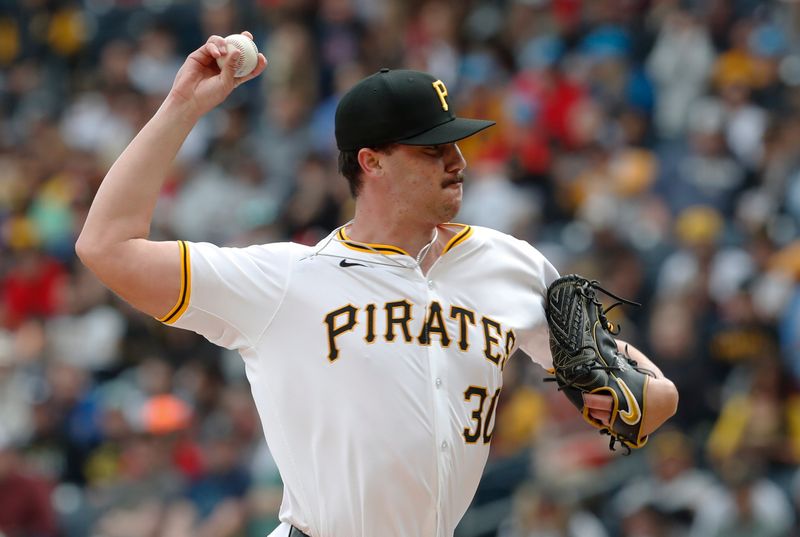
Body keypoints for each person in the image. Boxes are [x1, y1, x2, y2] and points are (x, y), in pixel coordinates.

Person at [77, 32, 679, 537]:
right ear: (371, 162)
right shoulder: (287, 281)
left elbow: (647, 408)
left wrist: (622, 392)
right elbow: (106, 246)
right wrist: (183, 103)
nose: (457, 161)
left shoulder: (509, 264)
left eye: (456, 143)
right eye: (431, 148)